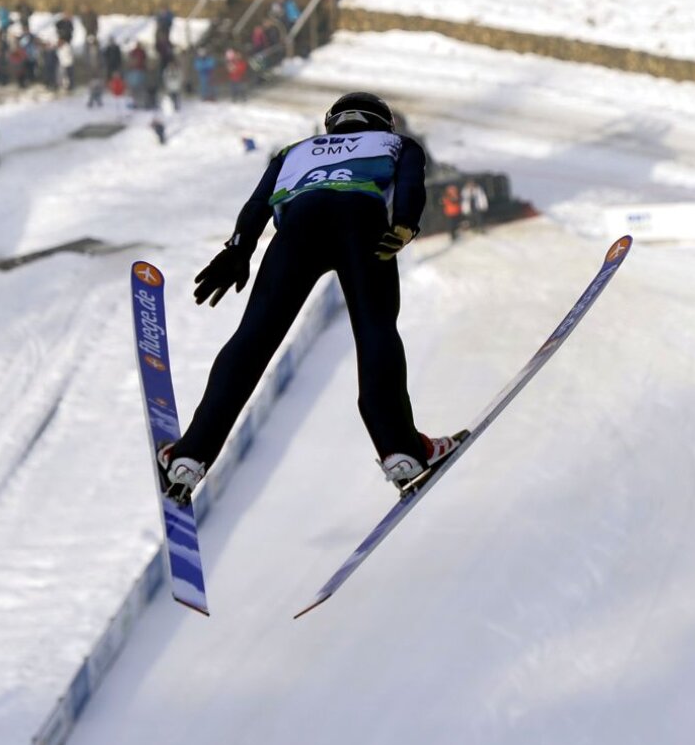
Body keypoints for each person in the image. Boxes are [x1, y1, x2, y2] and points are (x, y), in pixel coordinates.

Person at [157, 92, 464, 501]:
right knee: (376, 332)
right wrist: (406, 223)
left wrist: (238, 248)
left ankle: (188, 459)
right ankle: (403, 453)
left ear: (331, 123)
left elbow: (258, 202)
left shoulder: (294, 150)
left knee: (252, 340)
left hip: (298, 230)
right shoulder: (398, 143)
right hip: (363, 225)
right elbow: (410, 181)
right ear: (383, 123)